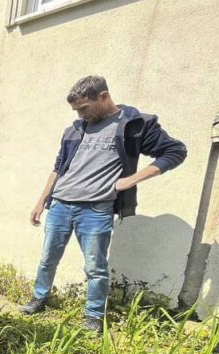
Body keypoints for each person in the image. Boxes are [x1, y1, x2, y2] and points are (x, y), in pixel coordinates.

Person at [20, 75, 187, 332]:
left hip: (96, 208)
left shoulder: (135, 124)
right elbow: (58, 169)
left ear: (104, 96)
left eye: (84, 108)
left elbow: (175, 151)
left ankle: (94, 316)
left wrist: (131, 180)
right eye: (76, 110)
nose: (80, 114)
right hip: (61, 204)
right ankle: (39, 297)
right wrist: (41, 201)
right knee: (47, 258)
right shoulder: (74, 130)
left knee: (95, 267)